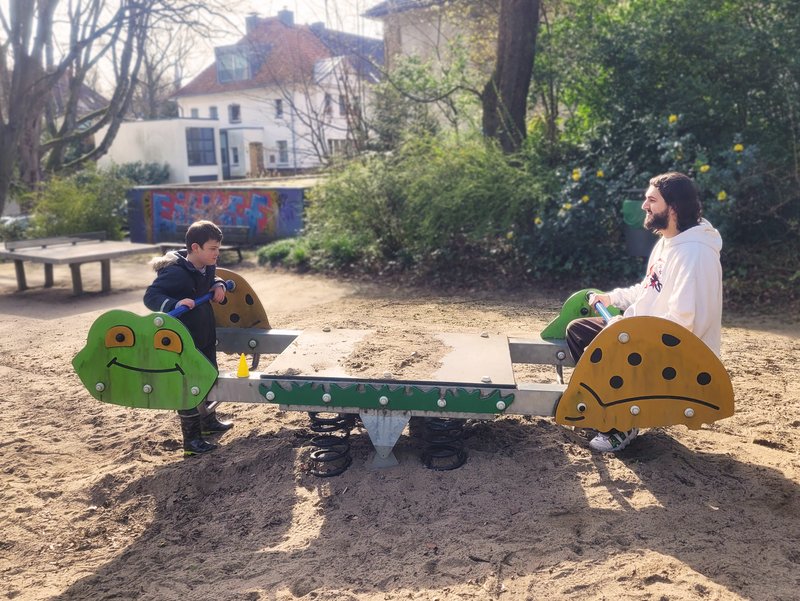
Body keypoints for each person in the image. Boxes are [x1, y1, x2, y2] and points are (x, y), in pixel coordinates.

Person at [566, 172, 723, 453]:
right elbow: (649, 288)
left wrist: (626, 332)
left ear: (672, 207)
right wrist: (612, 299)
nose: (644, 206)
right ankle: (611, 408)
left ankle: (620, 424)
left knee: (602, 347)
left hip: (676, 349)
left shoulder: (695, 253)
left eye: (651, 200)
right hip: (647, 334)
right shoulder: (670, 240)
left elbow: (682, 323)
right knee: (578, 330)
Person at [144, 220, 234, 456]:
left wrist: (218, 284)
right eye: (212, 249)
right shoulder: (175, 272)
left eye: (218, 249)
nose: (217, 254)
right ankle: (191, 442)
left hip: (204, 332)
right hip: (183, 340)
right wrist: (174, 304)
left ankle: (208, 424)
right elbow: (151, 296)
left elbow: (207, 280)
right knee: (187, 385)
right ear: (195, 247)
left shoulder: (206, 265)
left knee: (208, 375)